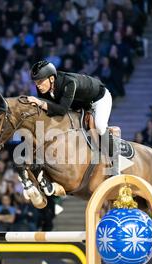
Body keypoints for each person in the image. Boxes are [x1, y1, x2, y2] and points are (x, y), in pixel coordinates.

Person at [25, 60, 114, 195]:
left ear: (51, 78)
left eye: (40, 82)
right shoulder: (44, 89)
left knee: (100, 126)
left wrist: (39, 103)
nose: (38, 86)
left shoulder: (68, 83)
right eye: (36, 83)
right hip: (80, 104)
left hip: (99, 99)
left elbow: (61, 109)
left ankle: (114, 164)